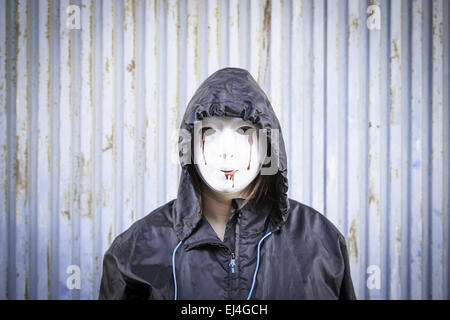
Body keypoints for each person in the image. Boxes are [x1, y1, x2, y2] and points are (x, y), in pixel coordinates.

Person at [98, 67, 356, 300]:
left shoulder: (321, 243)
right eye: (208, 131)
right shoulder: (134, 252)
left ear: (268, 145)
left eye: (244, 131)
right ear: (189, 146)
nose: (226, 152)